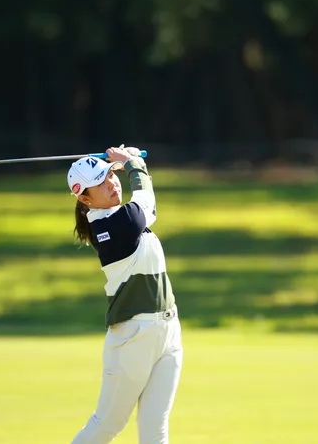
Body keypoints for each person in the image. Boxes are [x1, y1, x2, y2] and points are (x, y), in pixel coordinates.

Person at [67, 145, 183, 444]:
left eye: (110, 175)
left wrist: (125, 163)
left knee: (155, 426)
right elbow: (147, 202)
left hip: (168, 330)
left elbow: (143, 204)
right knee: (107, 424)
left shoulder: (121, 217)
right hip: (133, 336)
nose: (111, 184)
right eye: (101, 183)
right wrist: (132, 163)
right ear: (85, 199)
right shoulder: (111, 226)